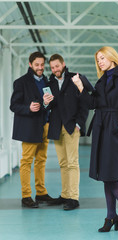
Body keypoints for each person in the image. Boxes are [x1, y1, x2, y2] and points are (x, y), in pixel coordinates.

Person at [72, 46, 118, 235]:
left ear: (112, 58)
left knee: (111, 176)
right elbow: (93, 104)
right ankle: (111, 216)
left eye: (102, 58)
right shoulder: (102, 81)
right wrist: (81, 88)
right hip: (100, 127)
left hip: (113, 128)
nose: (100, 62)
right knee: (105, 176)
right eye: (98, 60)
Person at [43, 54, 89, 210]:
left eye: (57, 66)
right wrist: (45, 102)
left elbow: (84, 103)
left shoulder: (75, 79)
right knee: (63, 163)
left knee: (72, 163)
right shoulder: (49, 83)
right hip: (56, 127)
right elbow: (49, 106)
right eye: (53, 67)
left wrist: (79, 123)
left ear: (63, 64)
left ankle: (73, 198)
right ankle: (65, 195)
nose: (55, 69)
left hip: (71, 127)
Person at [10, 52, 55, 208]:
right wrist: (28, 107)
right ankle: (26, 196)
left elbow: (46, 105)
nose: (40, 68)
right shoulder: (21, 82)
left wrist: (47, 104)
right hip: (29, 127)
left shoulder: (47, 81)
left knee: (41, 161)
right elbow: (14, 105)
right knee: (27, 161)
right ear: (30, 64)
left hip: (44, 125)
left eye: (42, 65)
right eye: (37, 65)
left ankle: (41, 193)